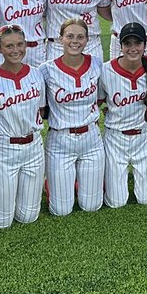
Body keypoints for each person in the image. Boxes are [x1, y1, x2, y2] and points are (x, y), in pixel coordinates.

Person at [0, 24, 47, 227]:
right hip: (3, 148)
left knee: (28, 217)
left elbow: (42, 110)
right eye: (9, 46)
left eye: (20, 44)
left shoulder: (36, 74)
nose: (15, 50)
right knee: (2, 222)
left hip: (33, 147)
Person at [41, 17, 104, 215]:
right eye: (69, 36)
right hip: (60, 140)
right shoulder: (46, 69)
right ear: (60, 39)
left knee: (91, 206)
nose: (75, 41)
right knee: (61, 210)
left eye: (80, 37)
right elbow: (42, 108)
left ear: (87, 40)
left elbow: (101, 98)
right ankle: (51, 182)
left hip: (91, 138)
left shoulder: (97, 64)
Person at [98, 22, 147, 206]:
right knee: (116, 202)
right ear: (120, 45)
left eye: (137, 43)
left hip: (144, 136)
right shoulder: (105, 70)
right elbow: (98, 101)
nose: (133, 48)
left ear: (144, 44)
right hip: (116, 138)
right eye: (128, 44)